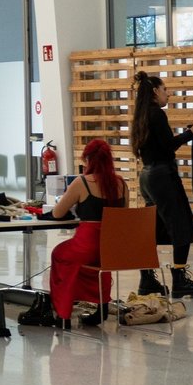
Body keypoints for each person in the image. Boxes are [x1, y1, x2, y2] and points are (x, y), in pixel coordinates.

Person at [129, 72, 193, 298]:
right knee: (180, 226)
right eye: (165, 90)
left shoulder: (141, 115)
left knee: (152, 231)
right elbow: (168, 146)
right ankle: (180, 281)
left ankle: (147, 280)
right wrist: (192, 132)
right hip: (162, 177)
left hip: (147, 176)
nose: (168, 95)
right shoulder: (157, 115)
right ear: (155, 91)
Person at [41, 138, 127, 326]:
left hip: (86, 246)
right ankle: (101, 307)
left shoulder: (82, 182)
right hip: (110, 250)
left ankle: (63, 314)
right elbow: (122, 218)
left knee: (60, 254)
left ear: (88, 160)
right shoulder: (121, 184)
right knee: (100, 264)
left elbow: (57, 212)